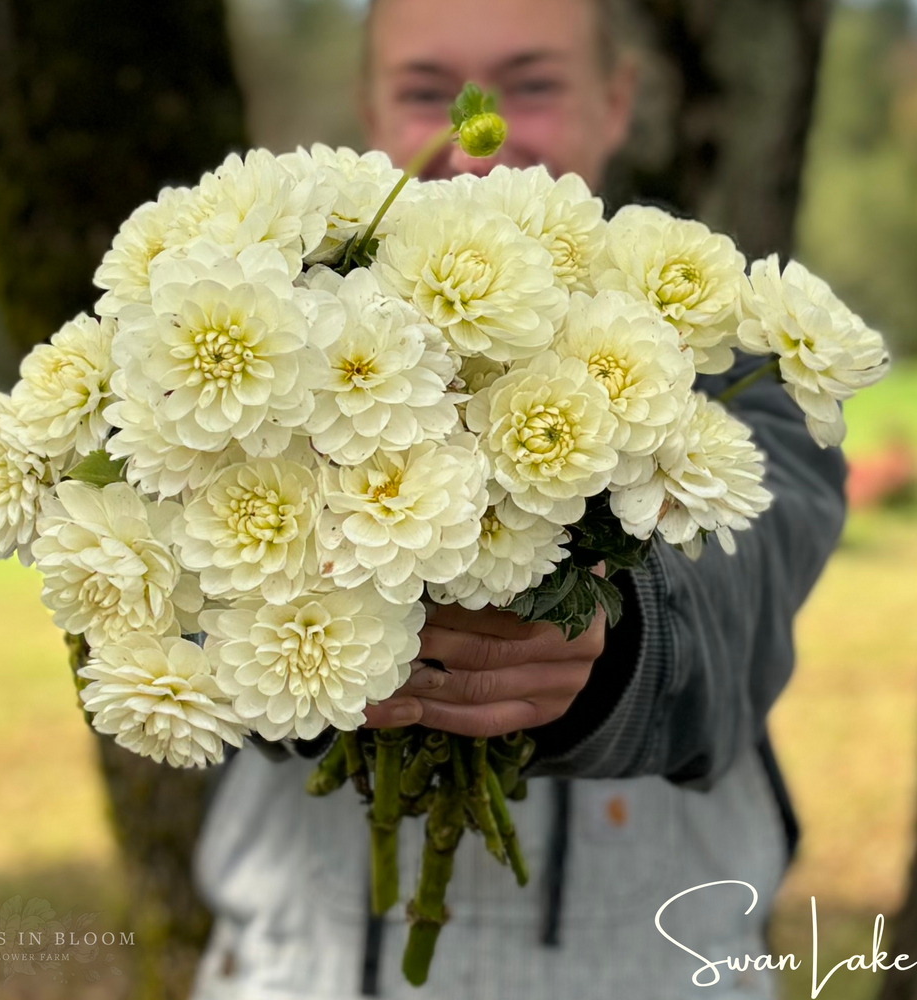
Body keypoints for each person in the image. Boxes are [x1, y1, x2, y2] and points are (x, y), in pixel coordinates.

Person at [188, 0, 847, 997]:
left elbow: (748, 574)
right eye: (426, 91)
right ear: (368, 105)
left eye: (529, 84)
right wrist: (309, 652)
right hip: (306, 966)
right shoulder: (273, 323)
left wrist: (620, 644)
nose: (475, 133)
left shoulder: (723, 347)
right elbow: (175, 588)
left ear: (616, 100)